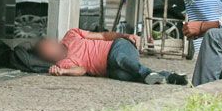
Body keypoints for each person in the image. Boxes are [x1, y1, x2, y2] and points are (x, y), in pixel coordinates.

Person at [35, 29, 187, 85]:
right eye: (46, 52)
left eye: (48, 46)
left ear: (52, 41)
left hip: (118, 47)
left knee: (116, 57)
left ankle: (147, 73)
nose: (50, 50)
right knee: (122, 75)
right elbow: (81, 69)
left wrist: (126, 35)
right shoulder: (62, 64)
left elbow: (103, 35)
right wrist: (62, 72)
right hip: (110, 69)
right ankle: (169, 77)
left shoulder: (71, 35)